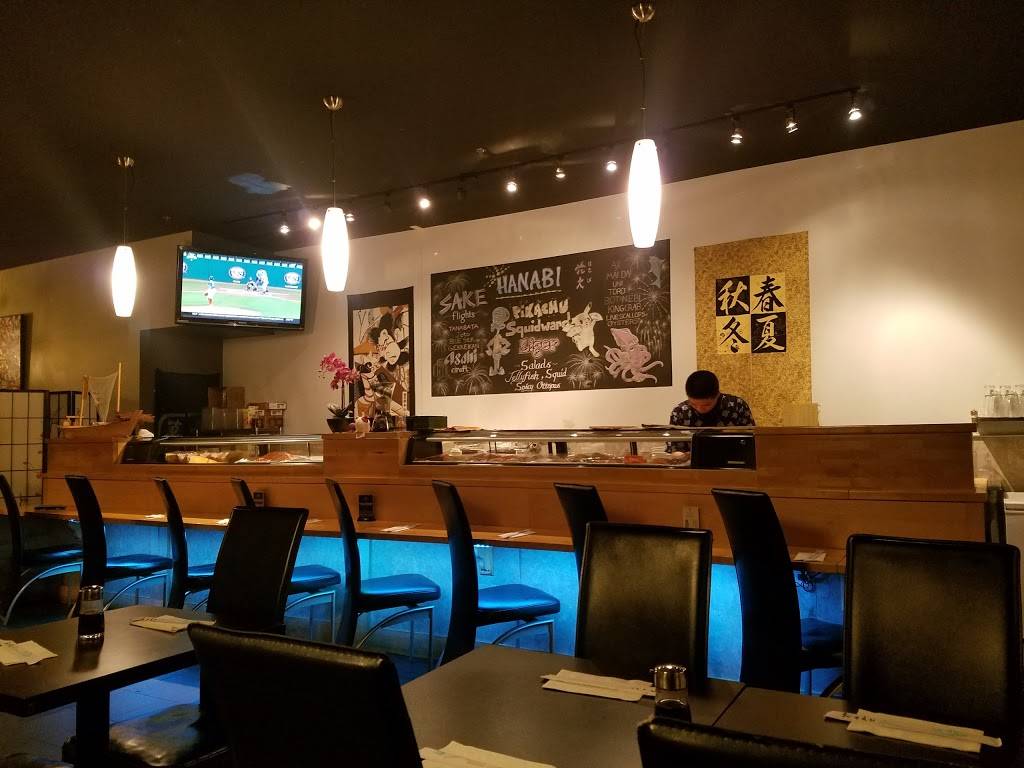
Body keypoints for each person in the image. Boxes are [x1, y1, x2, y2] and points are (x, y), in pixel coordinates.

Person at [670, 370, 754, 427]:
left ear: (717, 395)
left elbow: (752, 440)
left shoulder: (737, 406)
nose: (700, 409)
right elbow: (674, 445)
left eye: (706, 405)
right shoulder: (680, 412)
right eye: (694, 404)